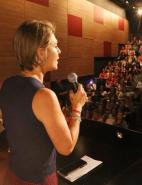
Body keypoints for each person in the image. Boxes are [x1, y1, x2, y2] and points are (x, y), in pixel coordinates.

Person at [0, 20, 88, 184]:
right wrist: (77, 107)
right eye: (55, 45)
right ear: (41, 53)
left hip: (14, 175)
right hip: (38, 180)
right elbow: (66, 147)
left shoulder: (7, 84)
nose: (59, 50)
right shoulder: (44, 96)